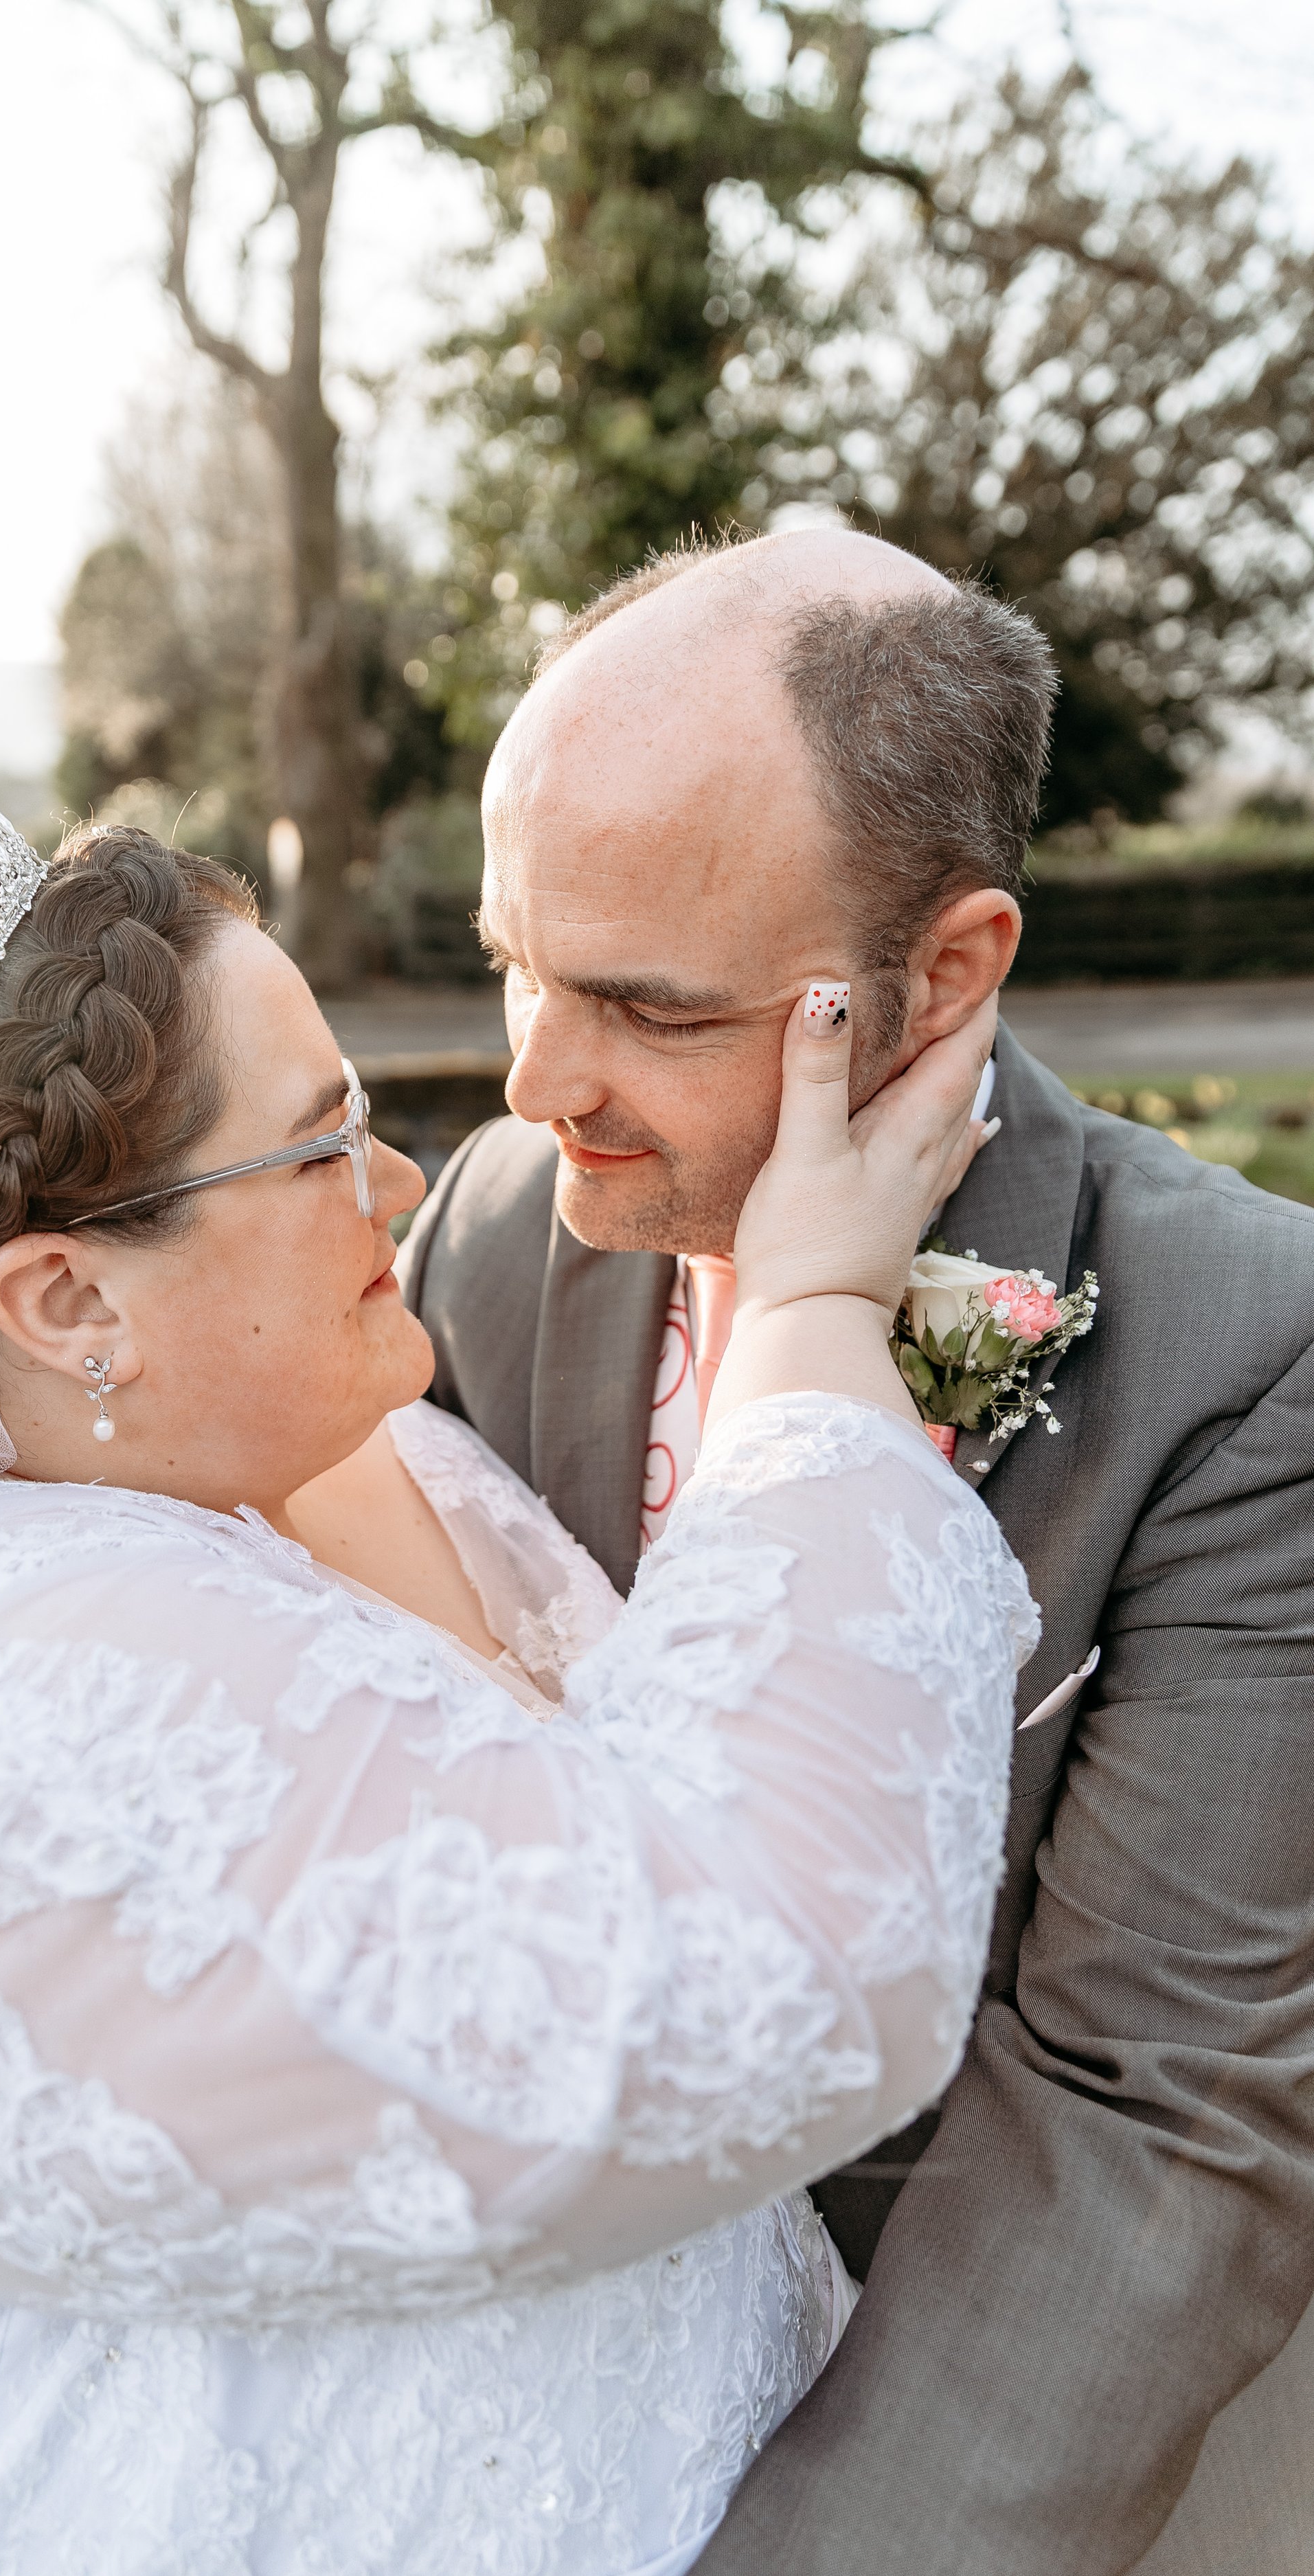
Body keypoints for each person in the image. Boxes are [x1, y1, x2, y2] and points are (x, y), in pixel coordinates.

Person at [0, 758, 1030, 2575]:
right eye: (315, 1140)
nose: (402, 1178)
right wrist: (815, 1321)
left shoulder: (281, 1435)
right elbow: (756, 1985)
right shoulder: (18, 1686)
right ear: (63, 1304)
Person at [401, 527, 1314, 2576]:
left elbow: (1147, 2122)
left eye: (644, 1003)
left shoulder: (1252, 1360)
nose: (542, 1083)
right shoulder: (481, 1229)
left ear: (952, 968)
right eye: (513, 965)